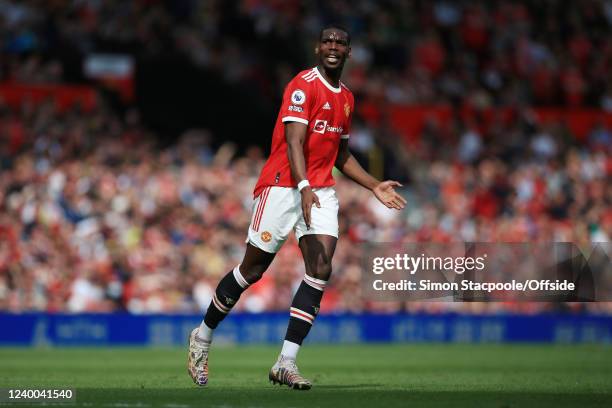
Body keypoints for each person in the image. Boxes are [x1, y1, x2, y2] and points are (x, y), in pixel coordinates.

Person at [188, 24, 406, 390]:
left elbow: (341, 153)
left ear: (349, 52)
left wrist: (373, 186)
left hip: (320, 187)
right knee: (252, 270)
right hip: (282, 185)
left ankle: (285, 362)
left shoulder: (347, 98)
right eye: (327, 42)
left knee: (321, 268)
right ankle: (202, 336)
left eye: (340, 43)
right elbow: (294, 140)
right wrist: (303, 186)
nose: (333, 47)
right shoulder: (303, 85)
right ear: (317, 48)